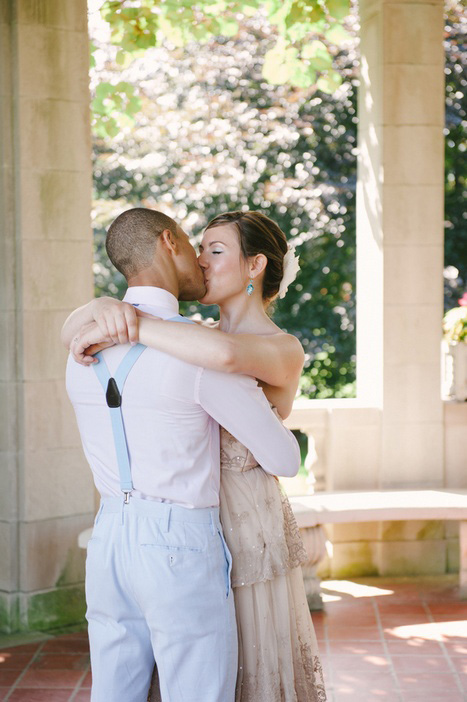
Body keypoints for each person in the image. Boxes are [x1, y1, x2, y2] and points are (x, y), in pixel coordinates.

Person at [64, 209, 327, 702]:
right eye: (198, 245)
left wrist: (129, 319)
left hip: (236, 529)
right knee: (196, 682)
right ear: (169, 244)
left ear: (255, 266)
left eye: (216, 250)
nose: (202, 260)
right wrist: (106, 308)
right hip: (184, 534)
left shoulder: (262, 346)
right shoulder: (190, 341)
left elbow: (226, 358)